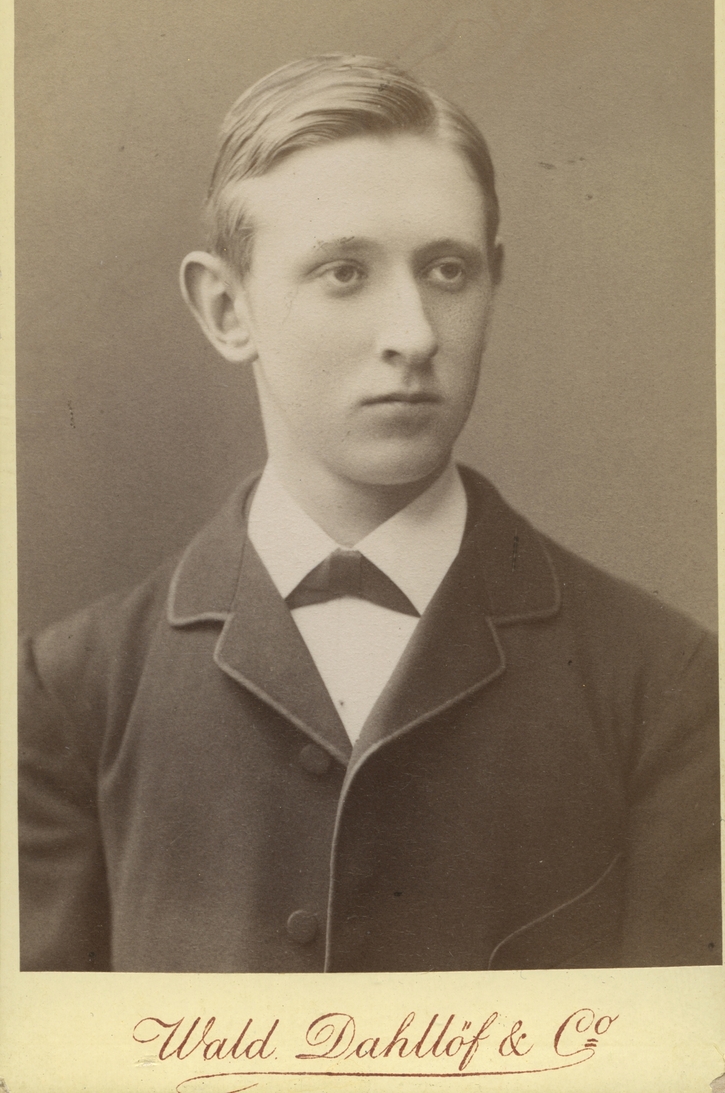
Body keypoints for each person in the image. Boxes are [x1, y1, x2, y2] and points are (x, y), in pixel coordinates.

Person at [18, 54, 720, 973]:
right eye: (345, 272)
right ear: (227, 309)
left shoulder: (661, 681)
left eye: (447, 270)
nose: (415, 335)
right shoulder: (75, 693)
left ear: (494, 282)